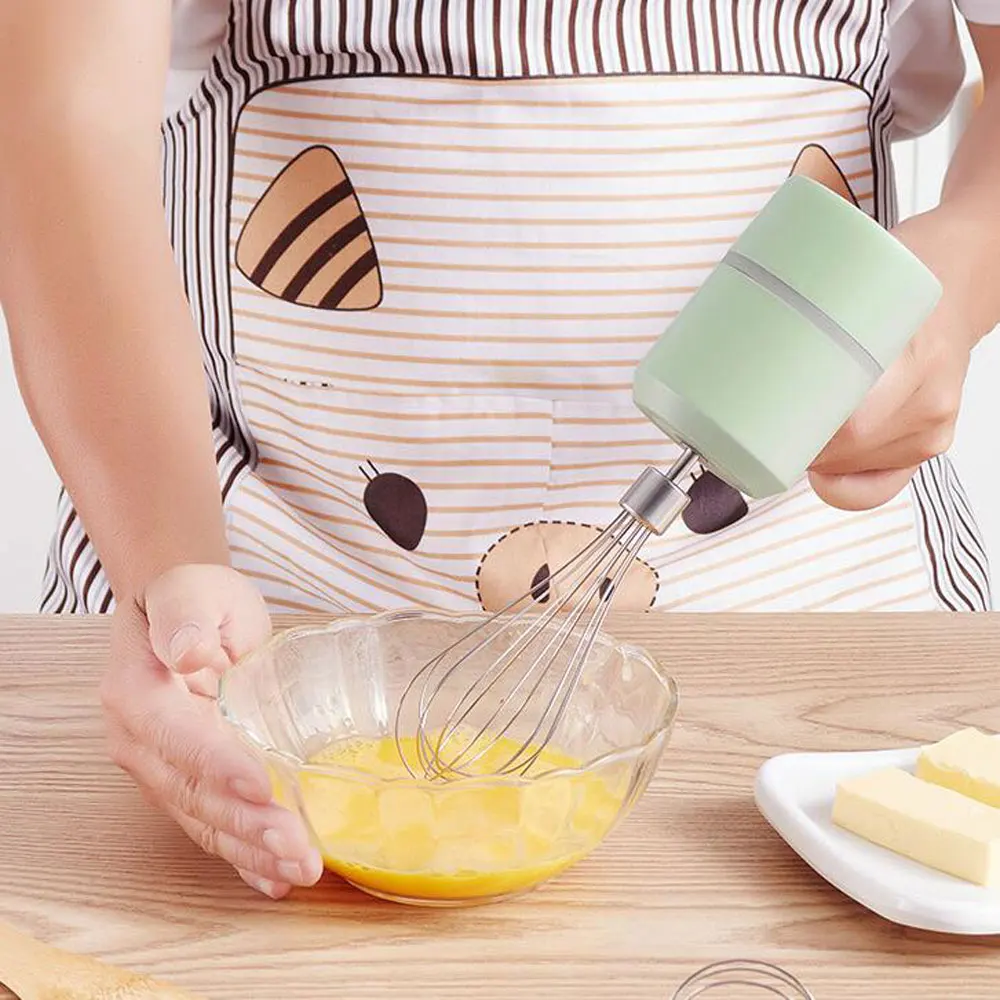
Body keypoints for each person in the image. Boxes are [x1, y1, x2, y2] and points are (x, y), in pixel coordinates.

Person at [1, 1, 998, 900]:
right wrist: (169, 570)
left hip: (821, 641)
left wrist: (949, 294)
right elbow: (63, 117)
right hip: (267, 633)